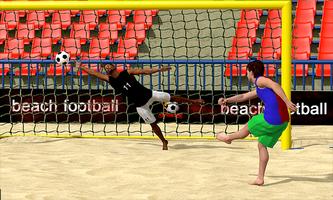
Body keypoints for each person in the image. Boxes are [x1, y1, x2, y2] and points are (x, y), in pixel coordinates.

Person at [75, 60, 204, 150]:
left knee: (171, 97)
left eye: (108, 65)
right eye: (105, 67)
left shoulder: (127, 72)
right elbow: (94, 73)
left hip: (149, 94)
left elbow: (144, 71)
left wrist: (159, 69)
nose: (107, 68)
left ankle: (195, 102)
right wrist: (81, 67)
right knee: (153, 124)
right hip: (140, 105)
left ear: (114, 66)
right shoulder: (110, 80)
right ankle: (164, 141)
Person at [216, 60, 297, 186]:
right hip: (283, 122)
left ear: (251, 72)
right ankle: (260, 178)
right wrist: (227, 100)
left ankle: (228, 138)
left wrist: (287, 102)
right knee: (261, 145)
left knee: (250, 124)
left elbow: (276, 85)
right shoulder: (260, 88)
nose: (246, 74)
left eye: (247, 71)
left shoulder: (260, 80)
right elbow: (243, 97)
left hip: (272, 119)